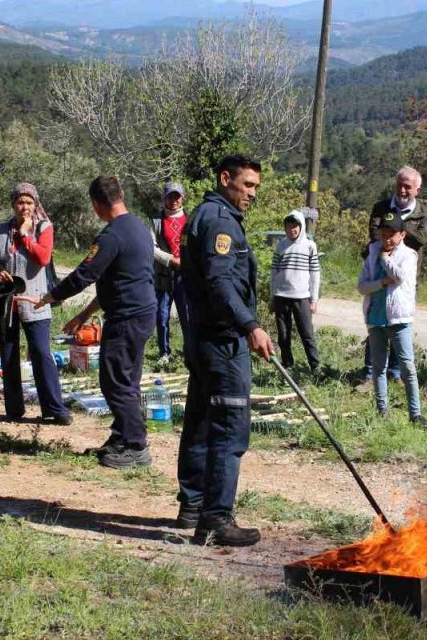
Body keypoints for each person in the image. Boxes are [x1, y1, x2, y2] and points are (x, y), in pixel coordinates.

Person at [175, 155, 274, 547]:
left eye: (256, 187)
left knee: (200, 421)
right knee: (229, 428)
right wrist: (250, 325)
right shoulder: (219, 222)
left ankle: (193, 506)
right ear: (225, 178)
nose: (253, 194)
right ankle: (216, 519)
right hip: (222, 342)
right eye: (247, 185)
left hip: (202, 337)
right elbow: (220, 283)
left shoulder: (203, 215)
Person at [30, 177, 156, 469]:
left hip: (126, 317)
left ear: (96, 205)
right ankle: (122, 436)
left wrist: (50, 296)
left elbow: (83, 275)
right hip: (141, 313)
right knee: (127, 379)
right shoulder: (138, 227)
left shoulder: (111, 236)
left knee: (115, 382)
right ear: (121, 194)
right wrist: (83, 315)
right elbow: (116, 282)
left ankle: (136, 446)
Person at [0, 182, 71, 425]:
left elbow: (43, 257)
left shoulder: (43, 228)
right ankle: (14, 409)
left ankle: (55, 408)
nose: (25, 207)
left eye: (29, 203)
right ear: (13, 204)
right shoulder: (0, 230)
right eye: (20, 202)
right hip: (7, 303)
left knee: (41, 353)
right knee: (8, 354)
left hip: (36, 300)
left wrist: (24, 234)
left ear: (35, 204)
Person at [363, 166, 427, 381]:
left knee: (399, 321)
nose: (402, 190)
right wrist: (395, 233)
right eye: (399, 185)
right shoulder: (380, 207)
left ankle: (394, 372)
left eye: (407, 187)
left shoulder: (424, 212)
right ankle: (371, 373)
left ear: (417, 190)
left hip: (406, 276)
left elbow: (422, 239)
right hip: (379, 271)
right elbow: (375, 233)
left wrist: (395, 227)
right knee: (377, 321)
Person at [359, 212, 425, 425]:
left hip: (398, 318)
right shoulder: (372, 252)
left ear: (402, 235)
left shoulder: (408, 255)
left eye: (391, 234)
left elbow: (399, 277)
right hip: (375, 317)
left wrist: (385, 259)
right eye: (383, 233)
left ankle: (415, 414)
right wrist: (381, 283)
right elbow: (362, 286)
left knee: (407, 367)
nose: (386, 238)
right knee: (378, 367)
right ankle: (382, 411)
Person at [270, 209, 321, 376]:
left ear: (301, 227)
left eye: (295, 226)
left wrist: (314, 300)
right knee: (283, 334)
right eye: (288, 226)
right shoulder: (281, 246)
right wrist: (272, 297)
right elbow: (274, 273)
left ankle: (315, 367)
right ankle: (287, 365)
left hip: (302, 297)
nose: (292, 229)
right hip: (281, 296)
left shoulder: (309, 246)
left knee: (307, 333)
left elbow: (315, 274)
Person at [150, 181, 190, 364]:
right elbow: (151, 247)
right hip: (163, 275)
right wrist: (170, 260)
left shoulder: (190, 219)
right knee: (162, 315)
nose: (173, 200)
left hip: (185, 276)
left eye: (177, 196)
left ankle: (189, 350)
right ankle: (164, 353)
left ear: (182, 198)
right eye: (170, 196)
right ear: (163, 198)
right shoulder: (156, 221)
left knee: (187, 315)